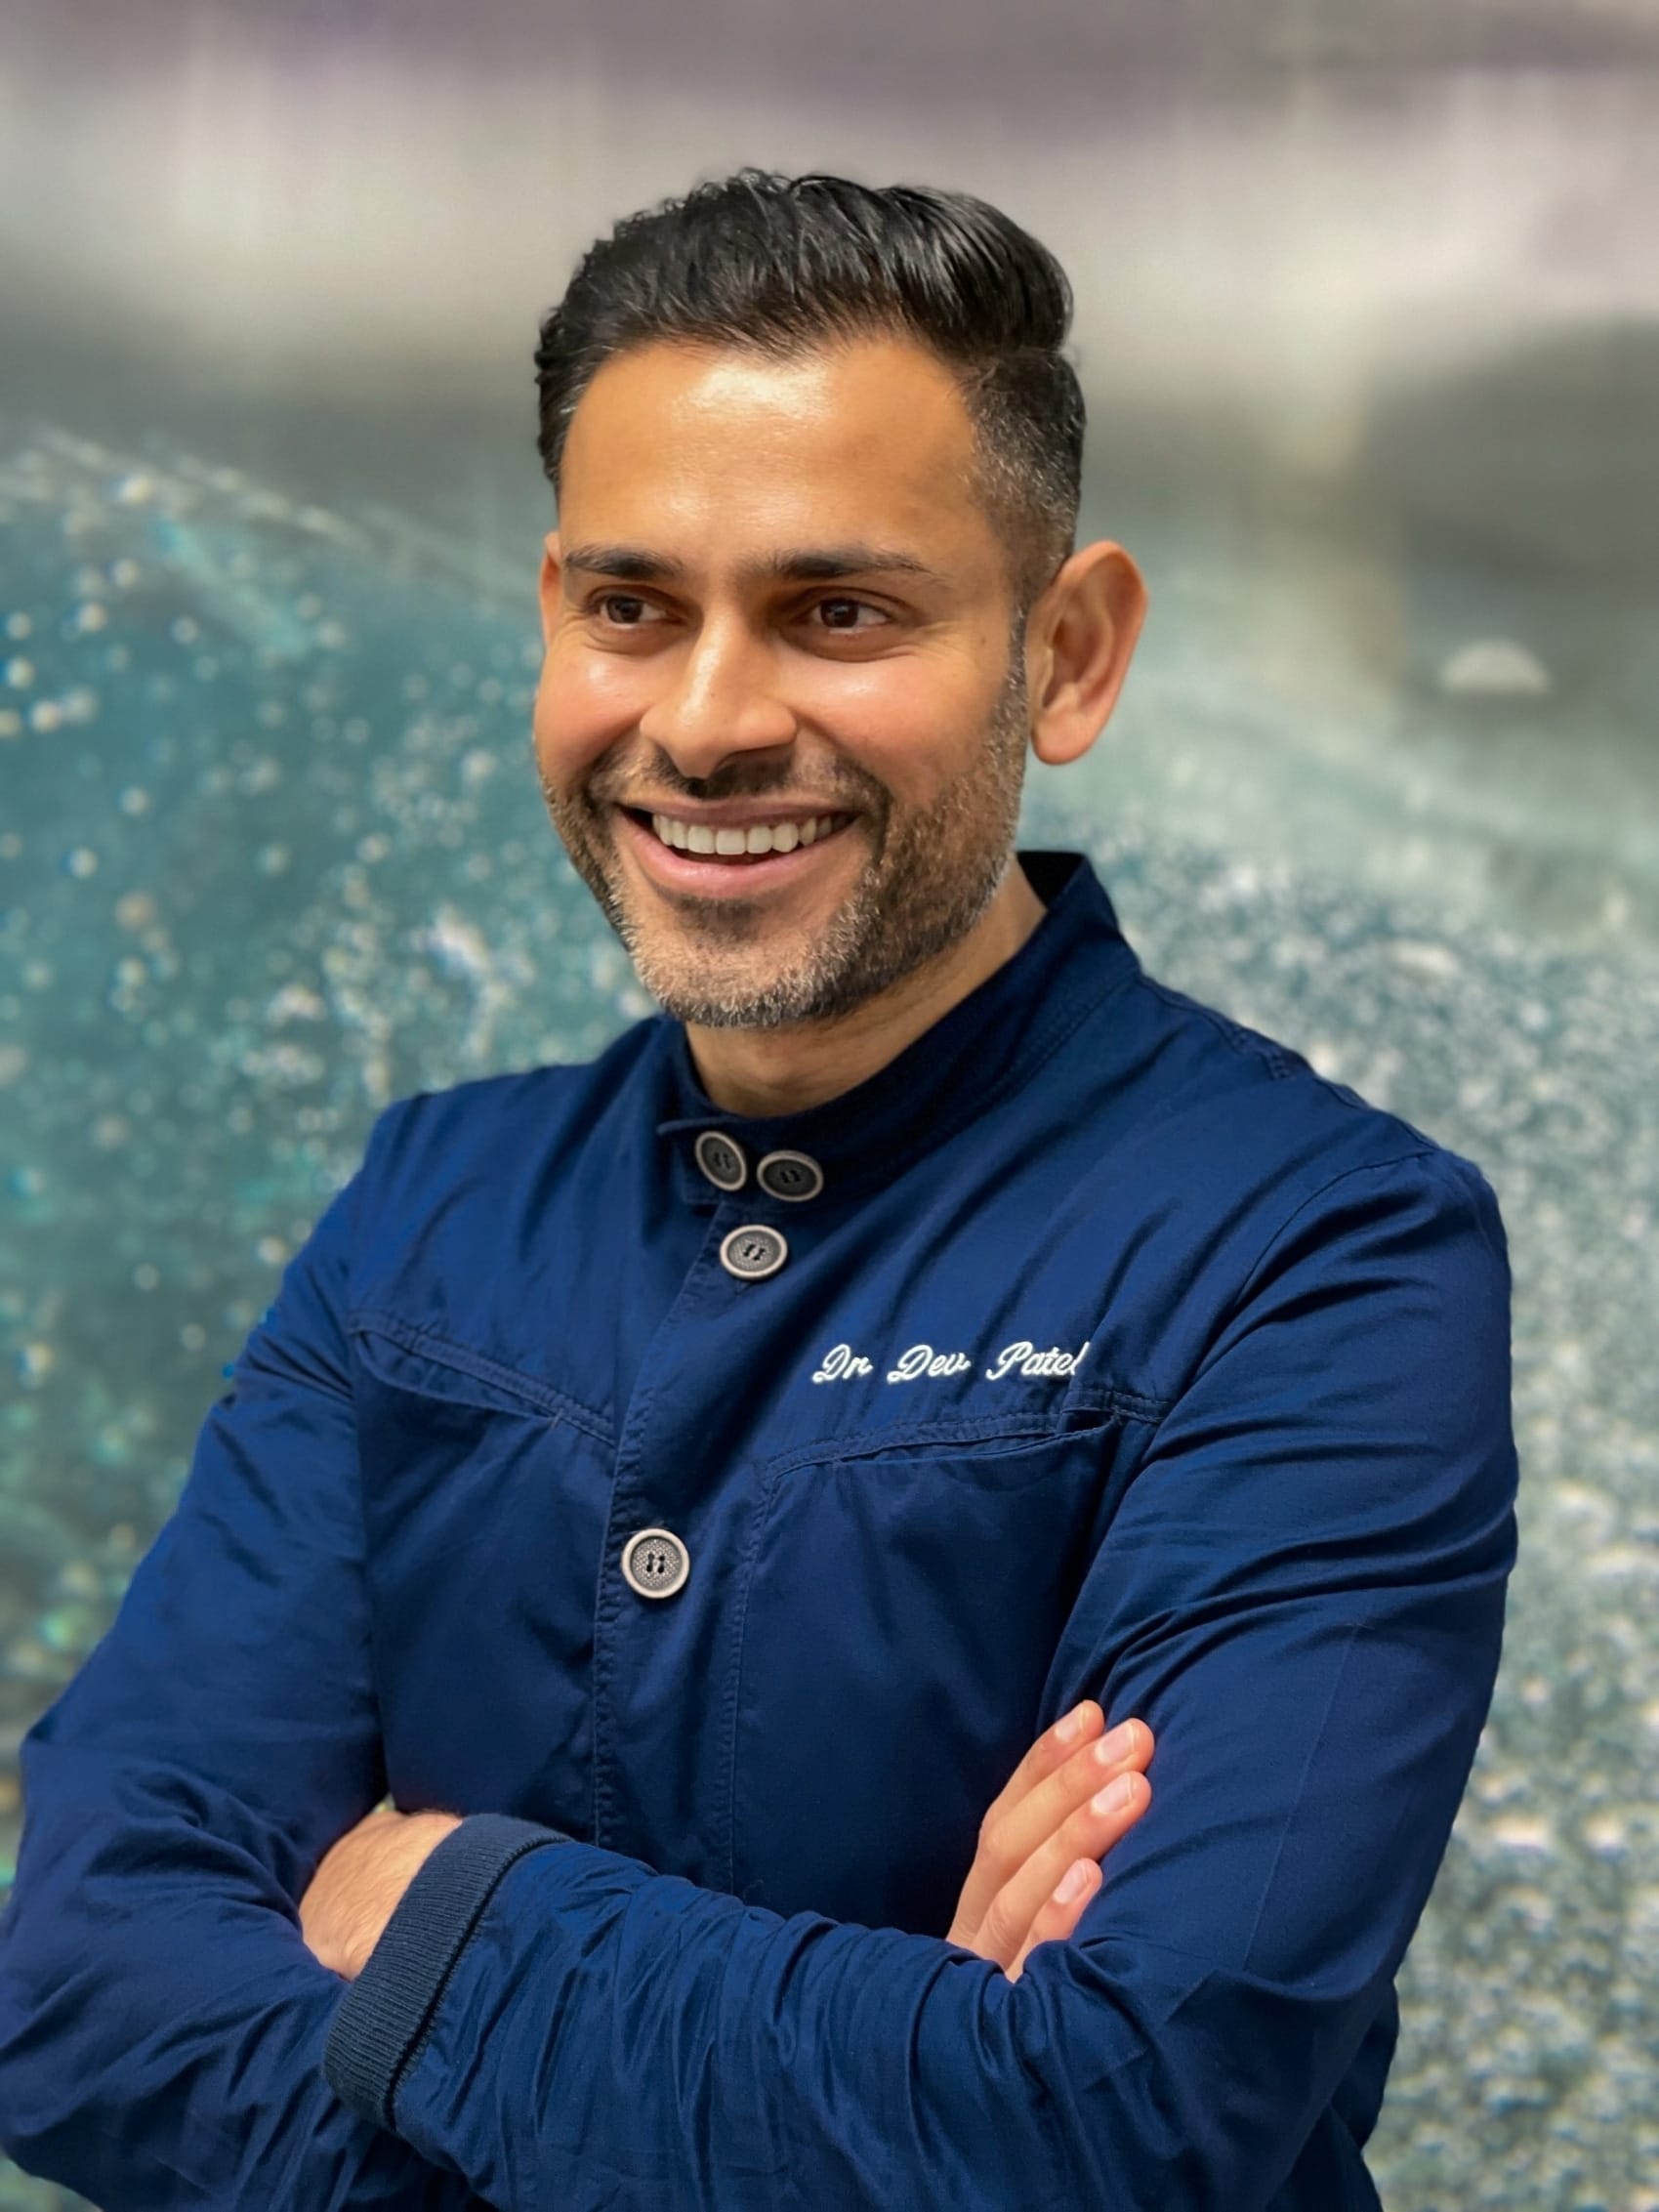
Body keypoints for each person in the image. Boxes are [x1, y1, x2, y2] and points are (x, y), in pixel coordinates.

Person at [0, 170, 1516, 2209]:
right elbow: (73, 1987)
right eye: (634, 606)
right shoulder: (422, 1209)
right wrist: (903, 2075)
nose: (706, 721)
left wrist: (444, 1902)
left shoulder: (1320, 1251)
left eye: (839, 610)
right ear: (552, 615)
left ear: (1064, 653)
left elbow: (1125, 2121)